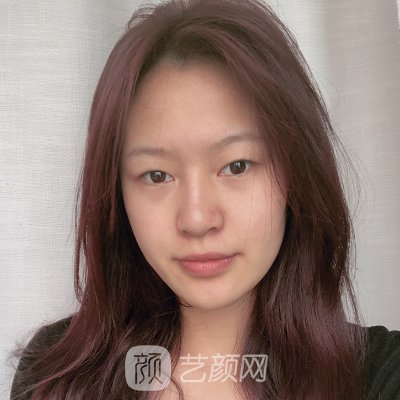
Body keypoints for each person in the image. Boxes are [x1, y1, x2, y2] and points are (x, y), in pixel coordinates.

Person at [9, 0, 400, 399]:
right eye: (157, 175)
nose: (197, 219)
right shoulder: (57, 379)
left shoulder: (380, 375)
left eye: (237, 166)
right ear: (117, 193)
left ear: (296, 173)